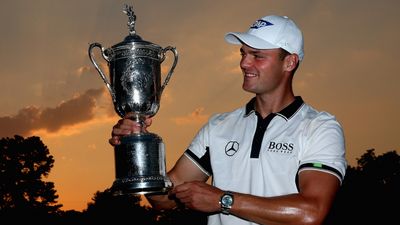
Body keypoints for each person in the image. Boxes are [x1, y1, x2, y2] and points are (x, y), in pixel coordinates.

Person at [109, 15, 347, 225]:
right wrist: (137, 146)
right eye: (243, 53)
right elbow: (164, 200)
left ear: (289, 62)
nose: (244, 63)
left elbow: (311, 212)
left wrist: (223, 200)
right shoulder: (219, 127)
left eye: (257, 55)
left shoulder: (319, 127)